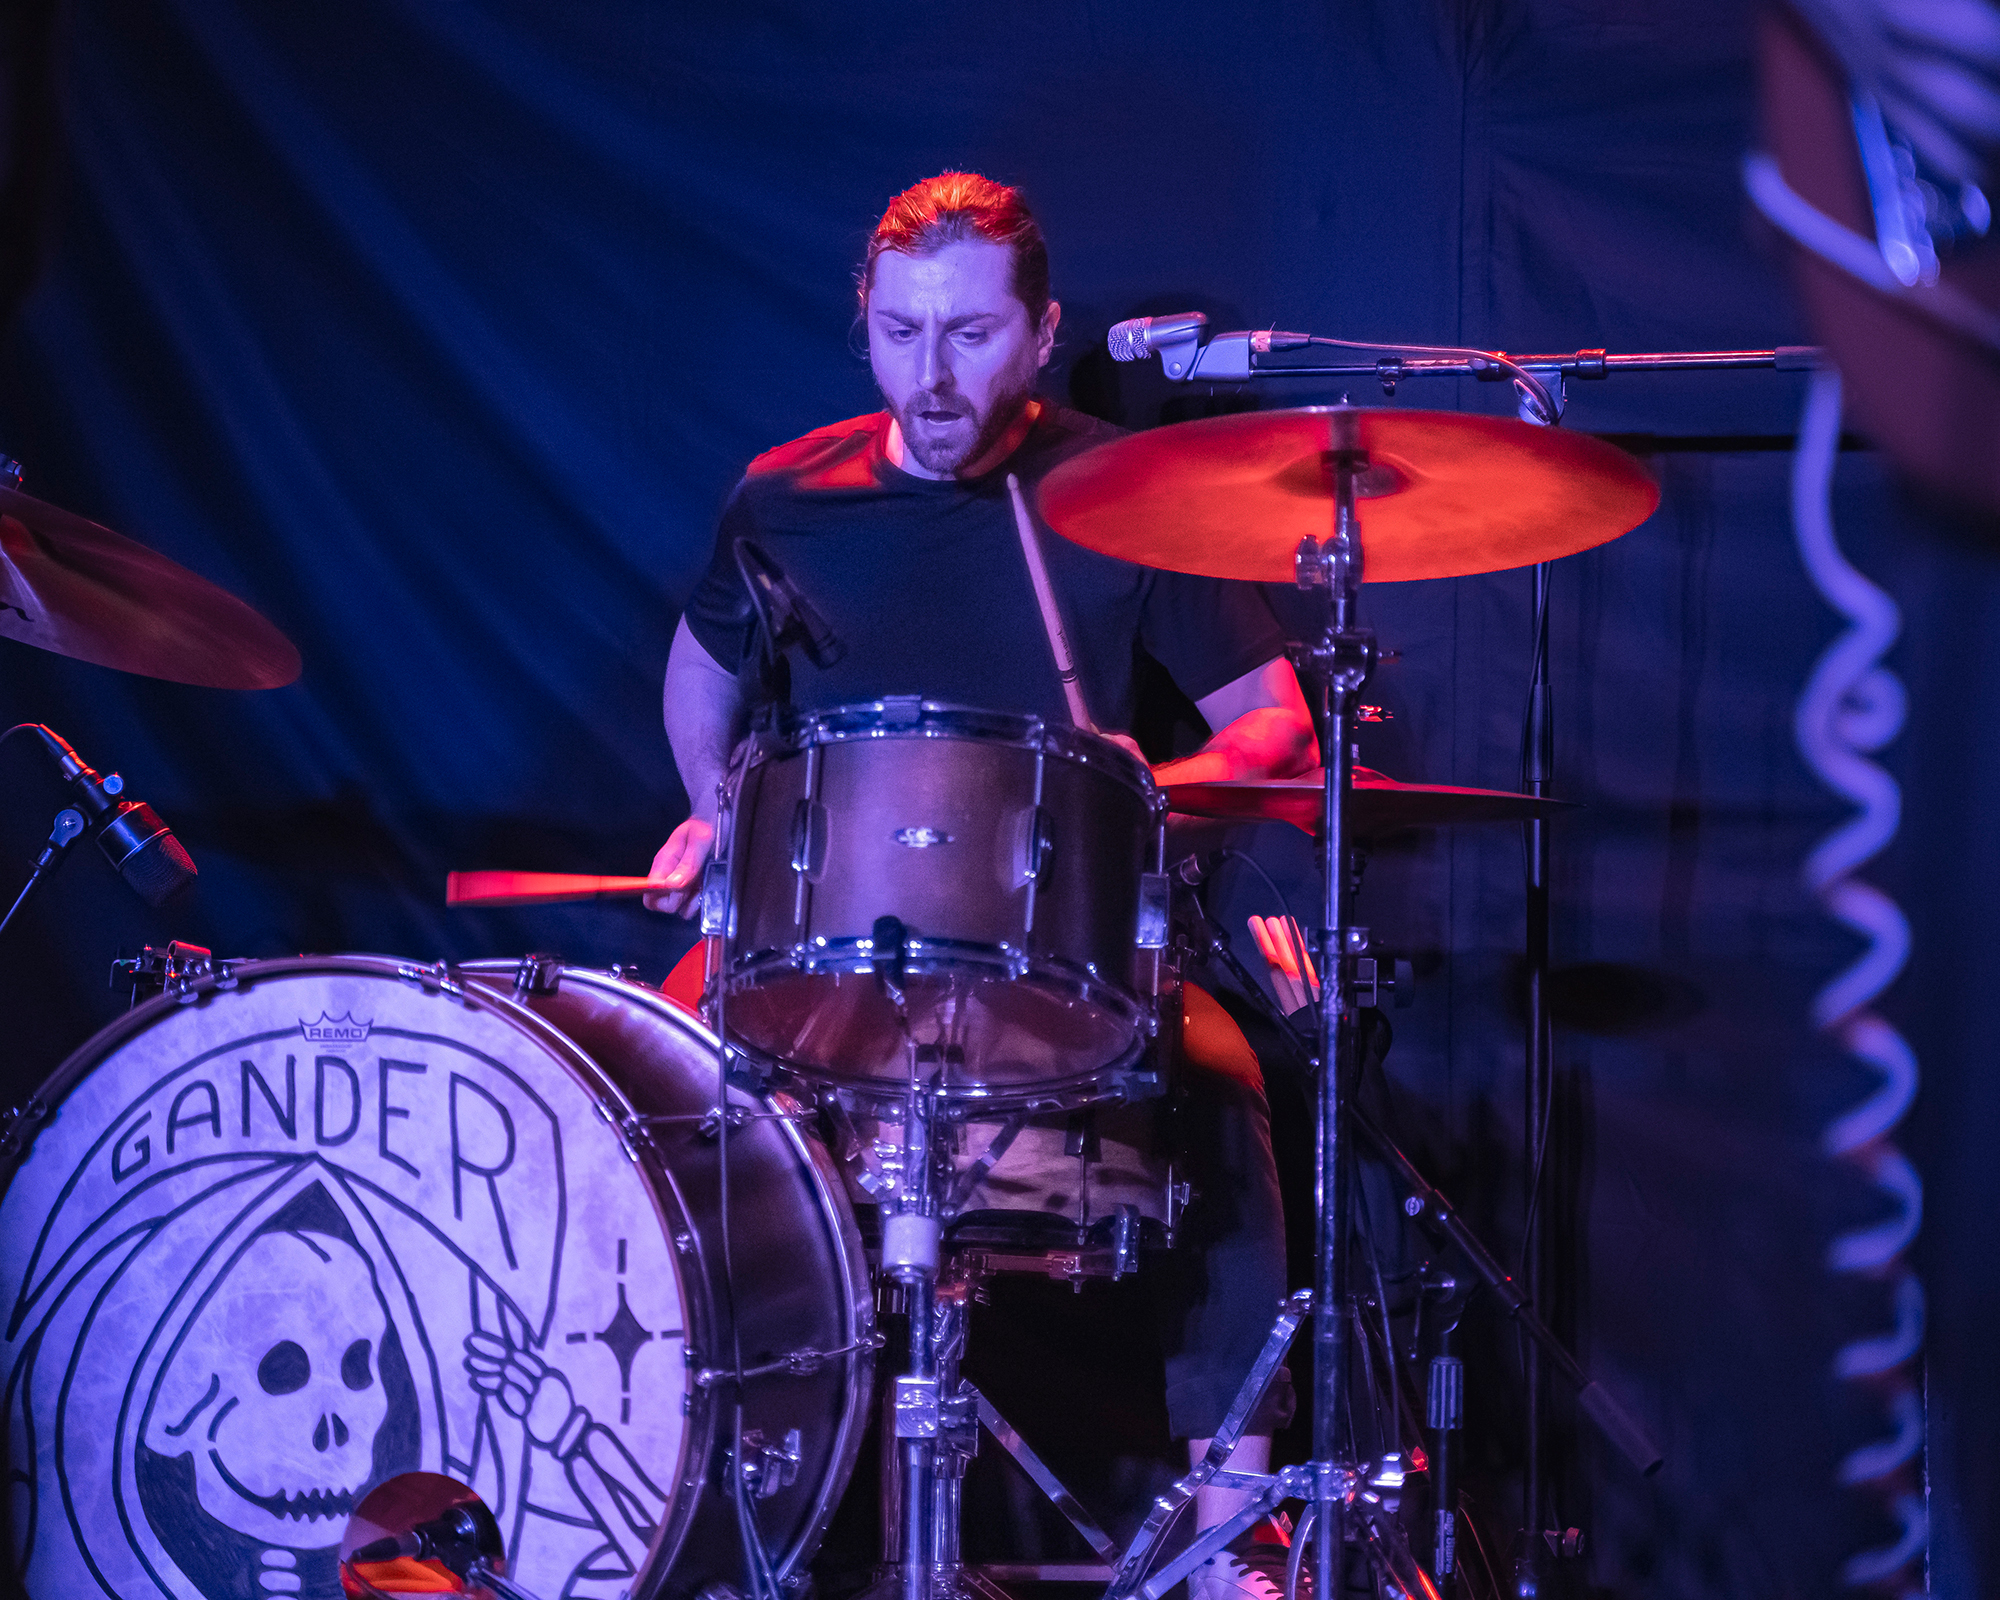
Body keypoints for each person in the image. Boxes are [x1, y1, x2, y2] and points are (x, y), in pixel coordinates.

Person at [647, 171, 1318, 1600]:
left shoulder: (1128, 499)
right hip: (823, 947)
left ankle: (1232, 1533)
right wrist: (715, 815)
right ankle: (657, 1496)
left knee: (1226, 1087)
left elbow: (1279, 729)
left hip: (1058, 951)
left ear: (1041, 332)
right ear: (865, 323)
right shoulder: (788, 494)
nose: (931, 376)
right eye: (900, 334)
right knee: (647, 1085)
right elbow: (701, 671)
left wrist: (1154, 782)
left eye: (969, 334)